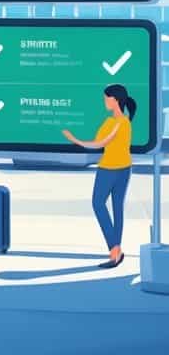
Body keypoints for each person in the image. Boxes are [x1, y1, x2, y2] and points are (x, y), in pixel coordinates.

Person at [62, 84, 136, 268]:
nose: (104, 101)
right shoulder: (121, 121)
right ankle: (116, 252)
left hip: (110, 169)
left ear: (115, 100)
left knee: (98, 204)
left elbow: (100, 143)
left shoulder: (118, 122)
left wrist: (74, 140)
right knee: (117, 208)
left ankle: (114, 249)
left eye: (106, 98)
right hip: (124, 168)